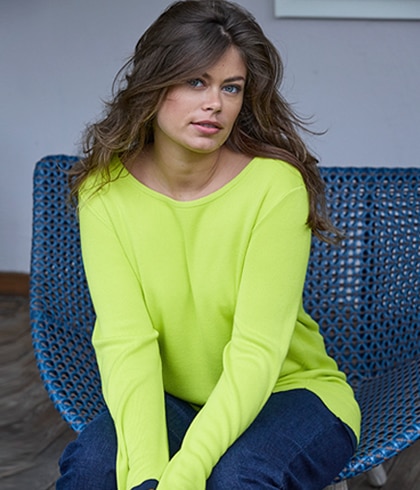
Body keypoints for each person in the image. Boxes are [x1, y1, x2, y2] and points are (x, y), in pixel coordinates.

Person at [57, 1, 361, 489]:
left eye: (231, 87)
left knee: (238, 477)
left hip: (288, 392)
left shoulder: (274, 186)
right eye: (195, 81)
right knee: (93, 469)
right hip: (174, 398)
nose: (215, 104)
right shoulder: (104, 193)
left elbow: (257, 351)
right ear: (155, 84)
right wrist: (149, 478)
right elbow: (125, 343)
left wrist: (187, 473)